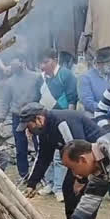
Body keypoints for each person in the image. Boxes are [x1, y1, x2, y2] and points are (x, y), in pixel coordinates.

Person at [19, 103, 105, 219]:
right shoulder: (44, 130)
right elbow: (44, 156)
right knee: (68, 190)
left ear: (39, 119)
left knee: (84, 194)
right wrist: (32, 183)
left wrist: (81, 179)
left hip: (96, 160)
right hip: (83, 160)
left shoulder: (63, 123)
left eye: (28, 125)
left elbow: (79, 151)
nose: (28, 130)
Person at [38, 48, 78, 201]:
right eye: (40, 63)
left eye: (45, 62)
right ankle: (49, 183)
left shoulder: (66, 75)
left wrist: (69, 119)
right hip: (46, 120)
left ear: (54, 60)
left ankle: (59, 187)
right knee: (45, 152)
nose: (42, 66)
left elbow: (72, 99)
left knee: (60, 154)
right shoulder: (43, 78)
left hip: (62, 121)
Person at [0, 57, 43, 178]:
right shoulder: (10, 82)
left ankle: (40, 173)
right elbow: (5, 102)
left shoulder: (36, 77)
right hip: (17, 116)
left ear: (23, 63)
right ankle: (24, 173)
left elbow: (42, 94)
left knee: (39, 144)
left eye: (16, 64)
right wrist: (1, 120)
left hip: (35, 115)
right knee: (20, 145)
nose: (15, 68)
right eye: (12, 65)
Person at [54, 0, 89, 68]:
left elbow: (86, 8)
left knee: (70, 64)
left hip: (72, 32)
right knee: (68, 63)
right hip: (67, 33)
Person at [21, 0, 55, 66]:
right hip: (32, 28)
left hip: (48, 28)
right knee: (32, 57)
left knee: (46, 58)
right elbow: (22, 6)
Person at [79, 46, 110, 118]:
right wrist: (109, 112)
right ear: (99, 64)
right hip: (96, 113)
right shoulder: (85, 78)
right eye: (109, 64)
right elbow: (88, 103)